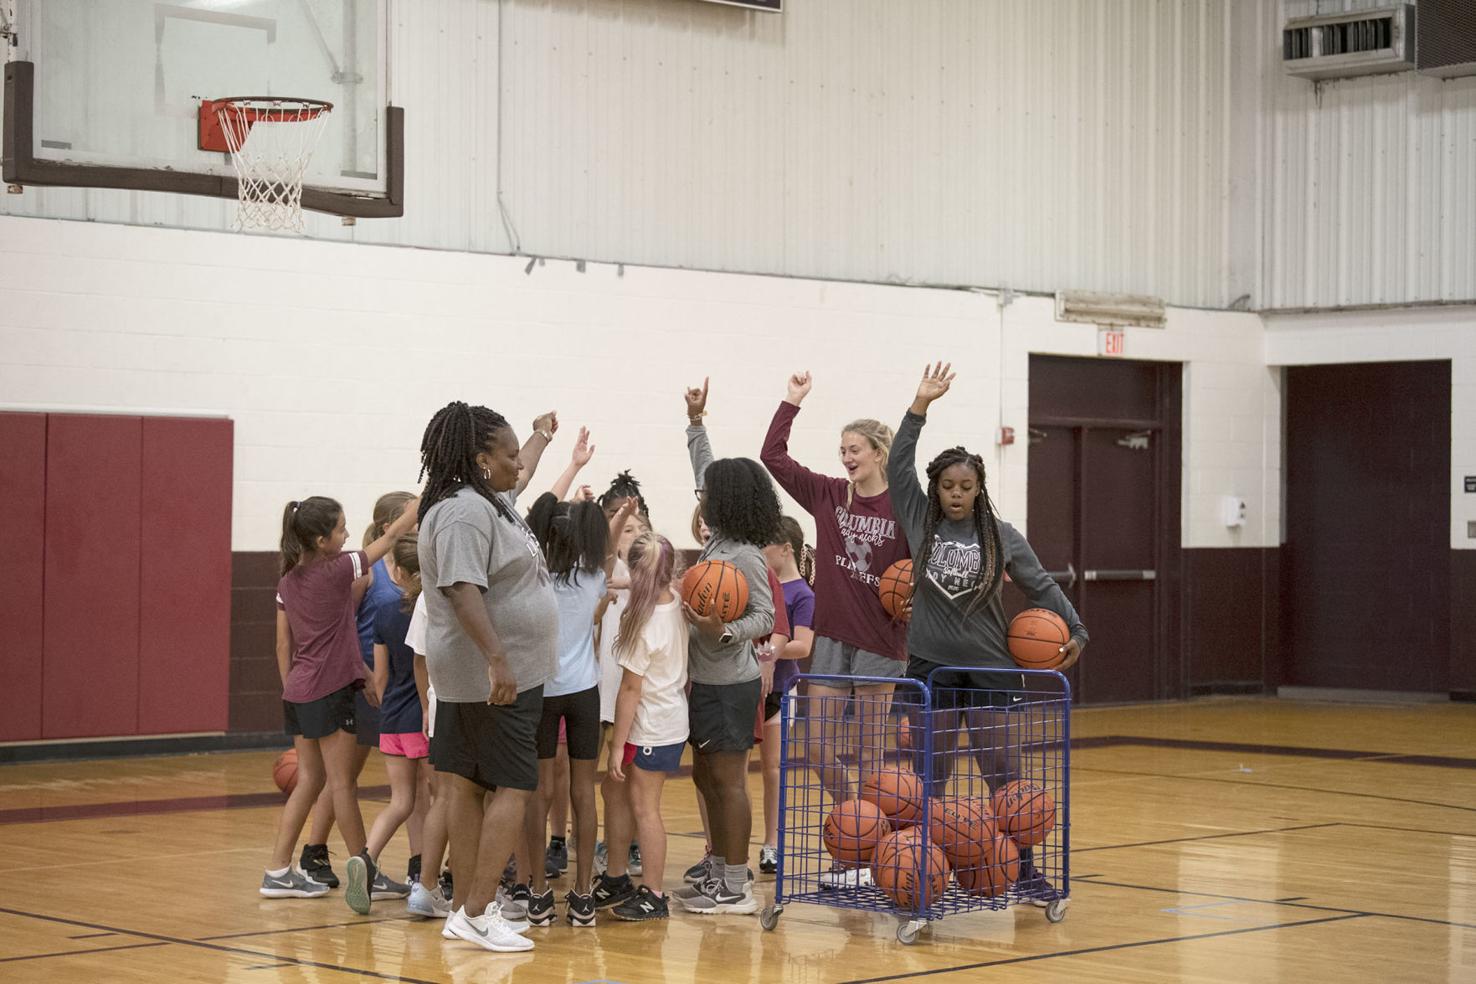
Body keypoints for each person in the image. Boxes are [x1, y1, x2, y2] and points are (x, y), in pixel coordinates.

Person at [889, 361, 1087, 901]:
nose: (956, 493)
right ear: (936, 489)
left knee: (1005, 778)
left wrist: (1077, 629)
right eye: (948, 485)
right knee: (926, 778)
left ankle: (1024, 868)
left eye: (966, 486)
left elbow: (1042, 586)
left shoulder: (1002, 536)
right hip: (930, 668)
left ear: (979, 488)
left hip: (992, 669)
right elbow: (898, 466)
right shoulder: (918, 519)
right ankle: (915, 868)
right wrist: (919, 406)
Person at [758, 371, 910, 887]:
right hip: (831, 638)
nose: (846, 457)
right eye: (842, 449)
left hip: (882, 643)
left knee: (870, 754)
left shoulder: (903, 507)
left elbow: (920, 574)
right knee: (817, 744)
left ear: (879, 453)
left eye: (855, 449)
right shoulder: (828, 496)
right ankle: (862, 830)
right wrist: (791, 402)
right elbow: (773, 458)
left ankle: (864, 855)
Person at [417, 401, 558, 954]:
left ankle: (468, 910)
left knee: (473, 786)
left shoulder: (485, 501)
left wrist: (540, 438)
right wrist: (498, 658)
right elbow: (460, 587)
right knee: (515, 785)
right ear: (479, 461)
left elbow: (517, 466)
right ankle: (476, 911)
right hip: (493, 676)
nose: (516, 466)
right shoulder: (463, 513)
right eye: (506, 457)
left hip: (497, 672)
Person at [261, 494, 417, 916]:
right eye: (341, 529)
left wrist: (296, 687)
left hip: (298, 689)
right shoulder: (336, 570)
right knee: (341, 783)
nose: (347, 534)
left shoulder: (287, 580)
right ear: (321, 539)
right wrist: (417, 506)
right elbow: (392, 536)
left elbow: (283, 643)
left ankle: (277, 871)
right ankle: (362, 868)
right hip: (328, 691)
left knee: (309, 780)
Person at [523, 491, 640, 927]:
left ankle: (537, 892)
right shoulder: (593, 576)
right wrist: (623, 515)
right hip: (583, 693)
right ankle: (584, 894)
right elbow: (608, 550)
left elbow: (536, 526)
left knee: (537, 793)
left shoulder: (535, 576)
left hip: (543, 692)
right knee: (582, 793)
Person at [300, 491, 415, 892]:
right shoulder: (366, 573)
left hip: (397, 682)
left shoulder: (412, 567)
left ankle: (319, 852)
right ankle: (323, 853)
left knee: (348, 777)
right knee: (344, 776)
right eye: (413, 516)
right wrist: (364, 673)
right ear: (390, 527)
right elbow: (340, 627)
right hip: (367, 682)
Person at [604, 531, 687, 920]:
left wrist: (617, 745)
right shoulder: (677, 601)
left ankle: (654, 893)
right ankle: (618, 877)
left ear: (638, 572)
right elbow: (653, 578)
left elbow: (630, 690)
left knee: (646, 809)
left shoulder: (643, 623)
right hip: (672, 716)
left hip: (651, 726)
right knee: (624, 799)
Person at [361, 534, 431, 895]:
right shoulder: (433, 610)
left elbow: (381, 676)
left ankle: (368, 858)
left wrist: (387, 712)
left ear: (399, 573)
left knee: (402, 801)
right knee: (436, 799)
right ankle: (430, 875)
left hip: (391, 721)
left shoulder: (384, 613)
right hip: (423, 718)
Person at [758, 516, 816, 874]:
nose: (760, 553)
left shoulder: (802, 594)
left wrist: (769, 651)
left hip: (781, 689)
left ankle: (771, 844)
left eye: (765, 546)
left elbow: (803, 645)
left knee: (772, 769)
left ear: (785, 549)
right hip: (750, 686)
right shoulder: (761, 586)